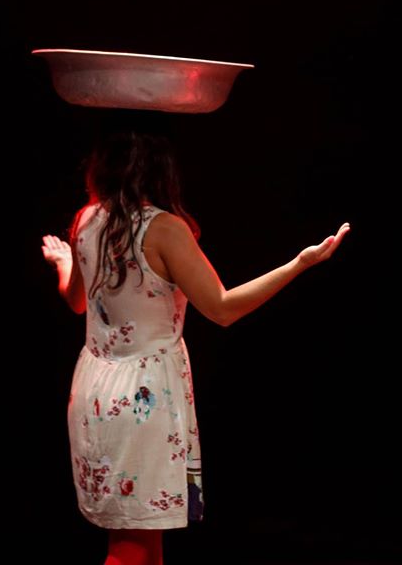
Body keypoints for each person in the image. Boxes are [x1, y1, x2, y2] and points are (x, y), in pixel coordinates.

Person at [41, 128, 350, 565]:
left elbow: (76, 301)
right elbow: (222, 309)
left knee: (141, 536)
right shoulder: (164, 229)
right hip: (142, 396)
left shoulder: (88, 219)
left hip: (96, 390)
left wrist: (63, 262)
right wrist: (299, 264)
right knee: (131, 546)